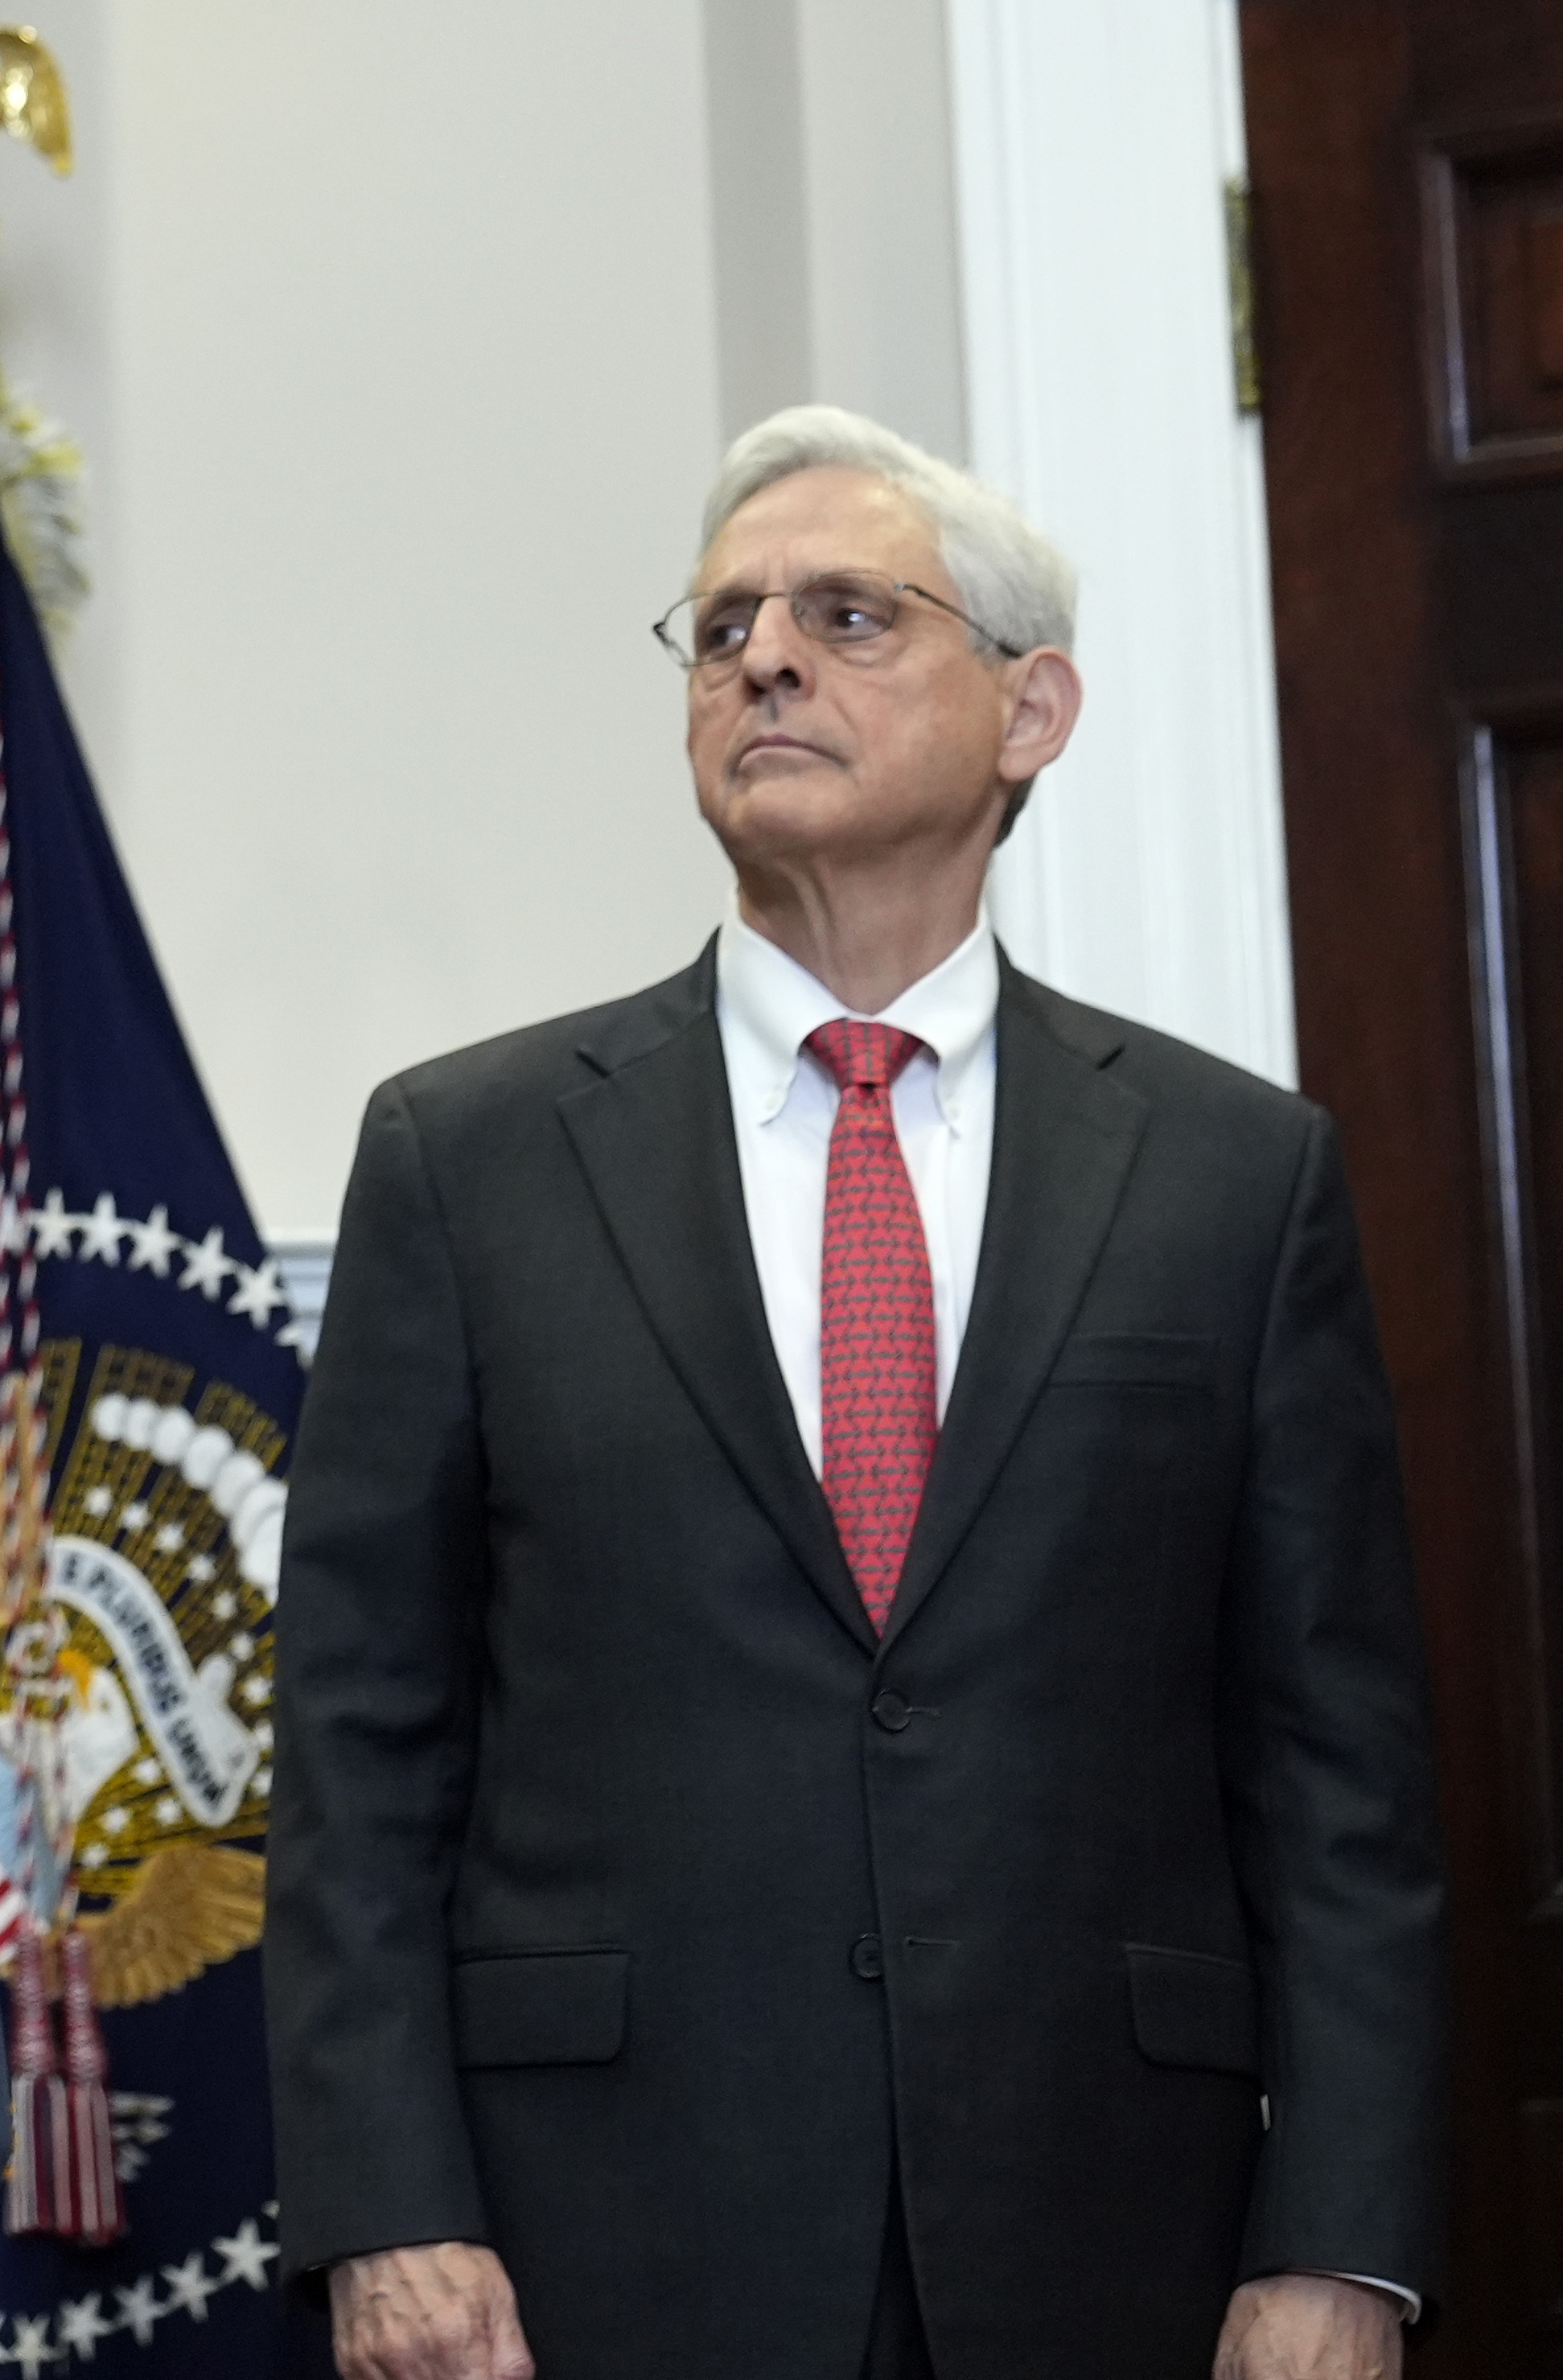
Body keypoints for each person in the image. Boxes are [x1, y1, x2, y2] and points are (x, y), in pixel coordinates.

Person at [268, 408, 1444, 2380]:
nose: (763, 659)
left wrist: (1343, 2242)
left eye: (843, 612)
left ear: (1029, 709)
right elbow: (359, 1745)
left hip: (1113, 2233)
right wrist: (387, 2202)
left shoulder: (1237, 1176)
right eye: (721, 626)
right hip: (595, 2246)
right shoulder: (466, 1161)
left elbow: (1339, 1772)